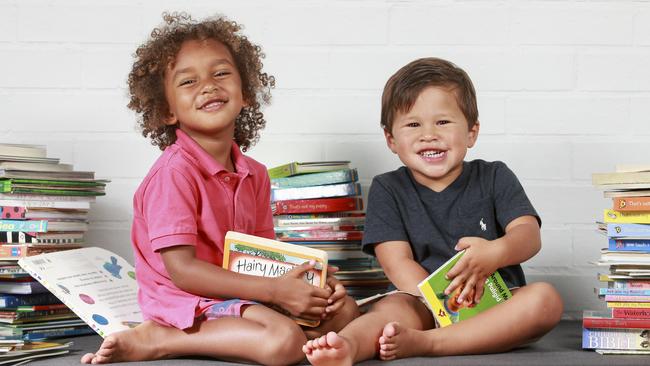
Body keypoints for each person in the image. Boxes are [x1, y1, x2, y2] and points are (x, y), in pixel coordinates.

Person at [81, 12, 358, 365]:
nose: (208, 86)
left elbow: (263, 256)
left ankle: (258, 324)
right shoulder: (174, 174)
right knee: (283, 343)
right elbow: (183, 271)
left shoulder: (254, 173)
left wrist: (309, 279)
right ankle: (162, 338)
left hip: (240, 290)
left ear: (245, 93)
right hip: (187, 298)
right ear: (167, 111)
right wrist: (275, 291)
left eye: (221, 73)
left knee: (343, 310)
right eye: (188, 82)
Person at [302, 57, 563, 365]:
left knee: (545, 300)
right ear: (391, 139)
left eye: (443, 122)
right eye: (413, 124)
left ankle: (430, 344)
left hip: (494, 305)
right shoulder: (389, 188)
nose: (429, 134)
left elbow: (529, 236)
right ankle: (347, 347)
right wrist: (440, 306)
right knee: (389, 313)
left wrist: (496, 252)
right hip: (419, 301)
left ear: (471, 132)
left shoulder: (494, 176)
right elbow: (396, 262)